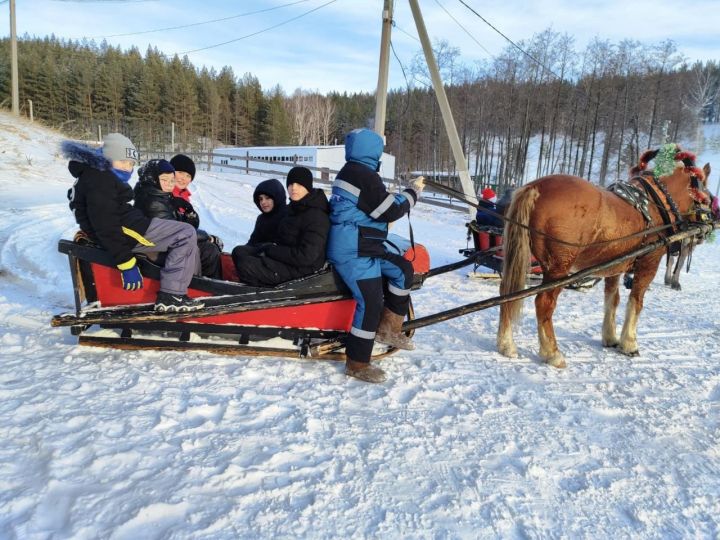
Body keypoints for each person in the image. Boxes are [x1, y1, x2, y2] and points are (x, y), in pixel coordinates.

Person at [62, 133, 204, 312]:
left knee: (186, 232)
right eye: (122, 161)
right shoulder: (99, 179)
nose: (127, 168)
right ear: (107, 158)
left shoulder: (94, 175)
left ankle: (182, 287)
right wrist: (126, 262)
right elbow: (106, 225)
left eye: (130, 163)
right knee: (186, 233)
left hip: (130, 224)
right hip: (129, 230)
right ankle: (172, 295)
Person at [327, 128, 423, 383]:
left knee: (403, 270)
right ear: (373, 151)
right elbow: (389, 211)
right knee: (369, 302)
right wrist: (412, 193)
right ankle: (357, 363)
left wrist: (404, 194)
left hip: (365, 245)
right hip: (354, 251)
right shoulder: (362, 174)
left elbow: (377, 203)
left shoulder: (356, 173)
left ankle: (388, 328)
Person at [232, 166, 329, 287]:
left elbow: (306, 256)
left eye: (299, 184)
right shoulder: (293, 209)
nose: (294, 188)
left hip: (303, 271)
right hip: (286, 261)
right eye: (291, 184)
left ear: (308, 187)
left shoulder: (316, 216)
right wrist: (265, 249)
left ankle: (258, 296)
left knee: (247, 265)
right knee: (239, 252)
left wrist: (270, 250)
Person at [168, 154, 224, 278]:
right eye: (181, 172)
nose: (183, 178)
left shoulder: (184, 197)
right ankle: (208, 287)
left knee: (212, 249)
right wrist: (206, 237)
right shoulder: (168, 194)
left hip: (183, 240)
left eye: (188, 175)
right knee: (209, 250)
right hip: (174, 245)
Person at [231, 178, 288, 260]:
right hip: (261, 254)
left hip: (279, 258)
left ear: (277, 197)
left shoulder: (288, 215)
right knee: (238, 251)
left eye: (267, 198)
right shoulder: (261, 219)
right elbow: (253, 242)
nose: (263, 202)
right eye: (260, 199)